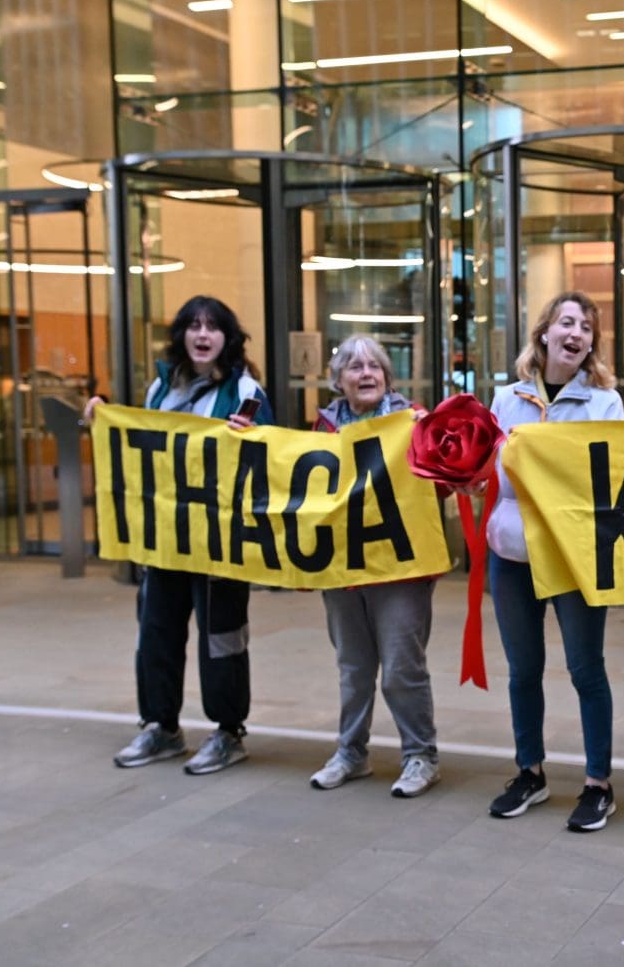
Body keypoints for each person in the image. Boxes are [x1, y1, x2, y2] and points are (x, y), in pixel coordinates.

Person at [89, 295, 274, 775]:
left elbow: (271, 456)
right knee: (156, 635)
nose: (203, 334)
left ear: (227, 337)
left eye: (213, 326)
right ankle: (160, 728)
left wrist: (252, 435)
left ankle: (228, 732)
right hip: (165, 540)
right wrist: (105, 419)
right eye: (194, 325)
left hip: (219, 546)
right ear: (181, 335)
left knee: (222, 641)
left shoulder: (246, 390)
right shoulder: (159, 388)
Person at [485, 290, 624, 831]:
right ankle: (530, 772)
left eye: (587, 327)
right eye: (567, 322)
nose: (577, 333)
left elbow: (610, 478)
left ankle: (598, 783)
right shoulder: (507, 399)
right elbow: (493, 472)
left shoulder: (604, 403)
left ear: (591, 344)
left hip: (572, 558)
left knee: (586, 669)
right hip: (511, 554)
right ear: (543, 333)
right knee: (523, 671)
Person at [307, 334, 441, 799]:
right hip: (345, 570)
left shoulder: (412, 422)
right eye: (354, 367)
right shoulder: (322, 432)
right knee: (353, 666)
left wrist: (431, 440)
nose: (366, 374)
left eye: (375, 367)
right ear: (337, 381)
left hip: (401, 569)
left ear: (387, 378)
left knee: (403, 666)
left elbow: (438, 487)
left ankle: (419, 754)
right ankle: (351, 752)